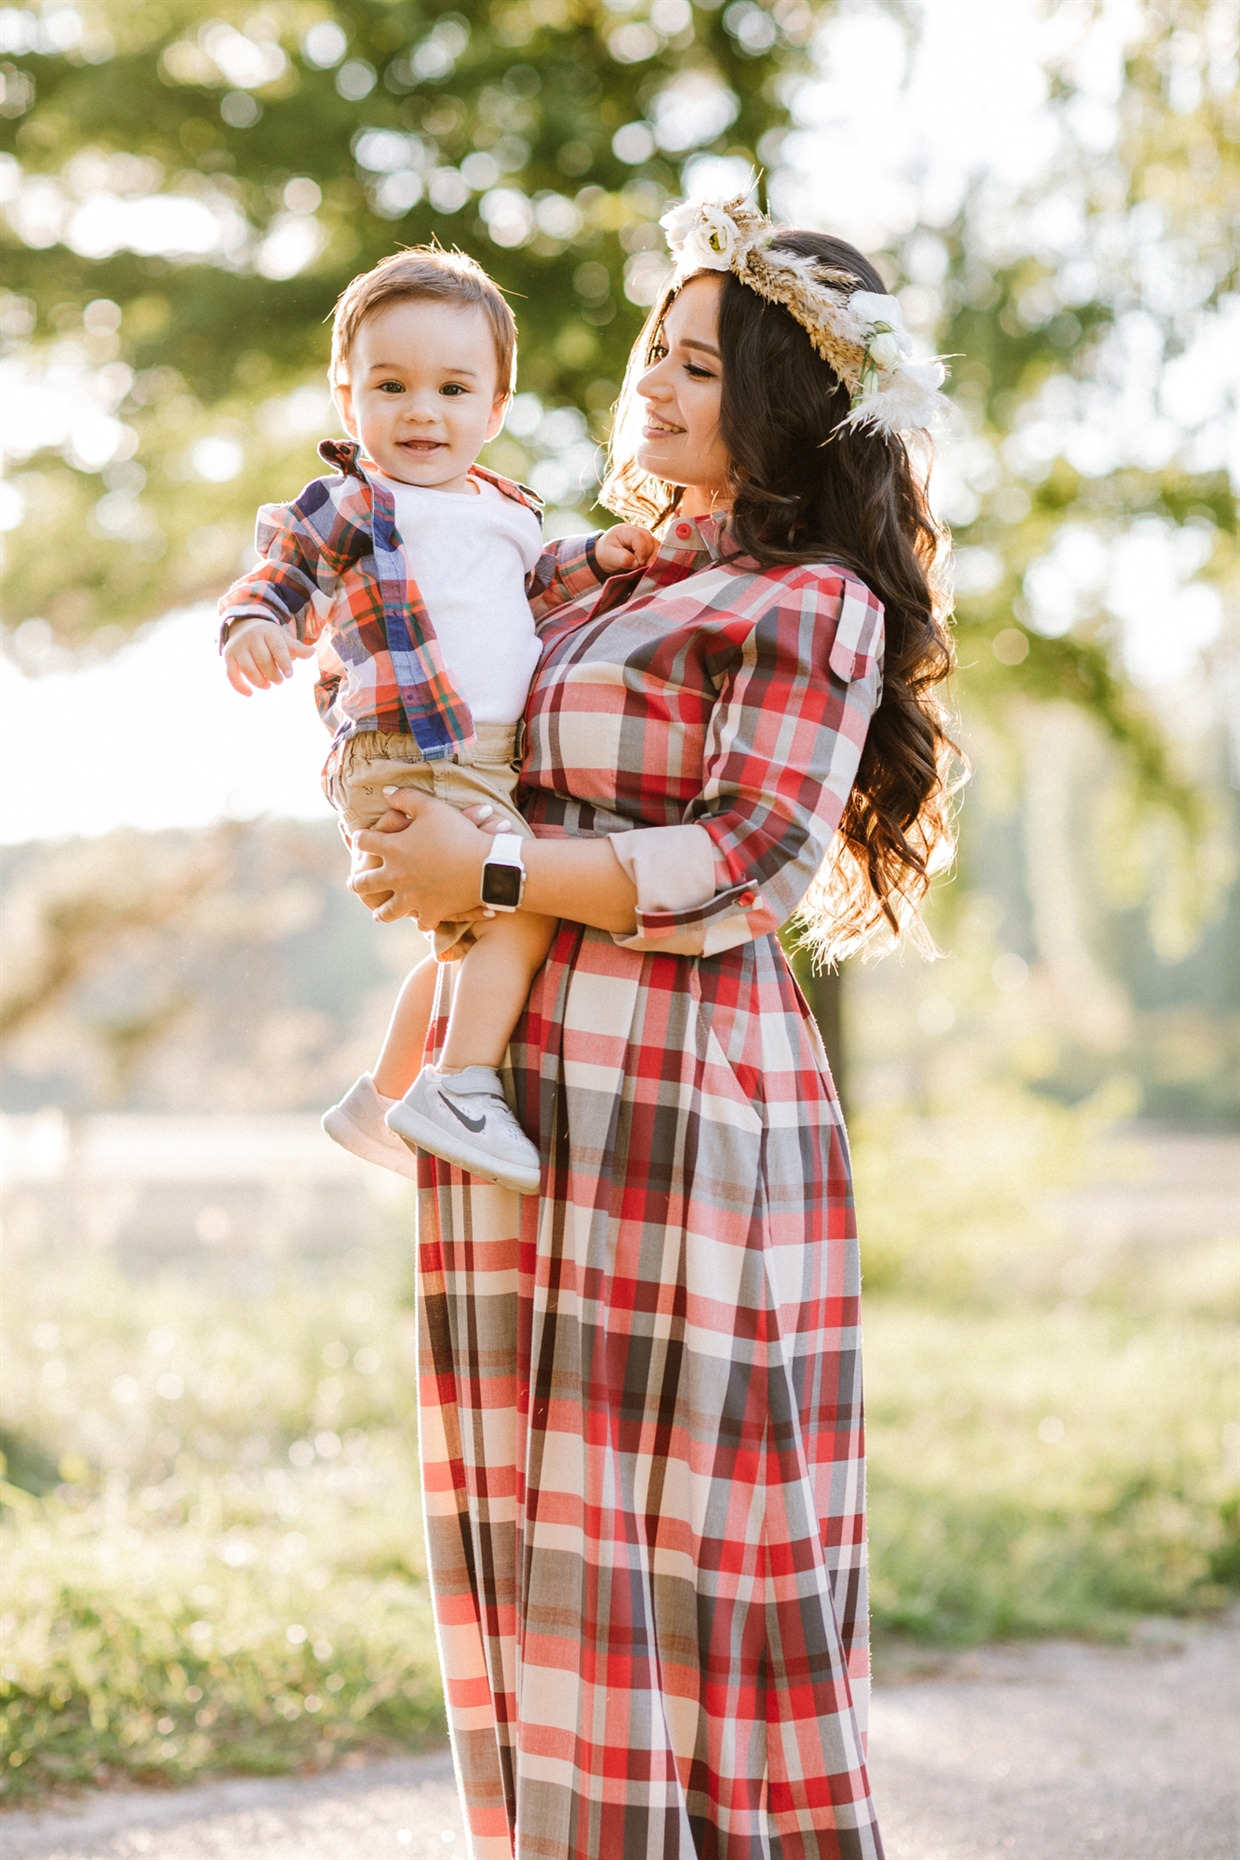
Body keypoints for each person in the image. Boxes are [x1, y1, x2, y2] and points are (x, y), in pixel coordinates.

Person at [348, 197, 958, 1860]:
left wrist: (488, 855)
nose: (655, 388)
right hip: (518, 1069)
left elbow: (748, 859)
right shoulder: (590, 572)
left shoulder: (806, 605)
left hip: (681, 1086)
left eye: (700, 365)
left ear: (781, 397)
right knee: (521, 1514)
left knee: (670, 1531)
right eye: (653, 353)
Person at [217, 248, 655, 1194]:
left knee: (467, 936)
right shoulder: (351, 502)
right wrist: (255, 624)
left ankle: (381, 1097)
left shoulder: (504, 509)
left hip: (480, 756)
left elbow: (533, 593)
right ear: (349, 399)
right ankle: (458, 1086)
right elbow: (282, 570)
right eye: (392, 385)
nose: (423, 411)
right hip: (408, 749)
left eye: (453, 388)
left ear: (495, 408)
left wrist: (600, 558)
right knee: (523, 903)